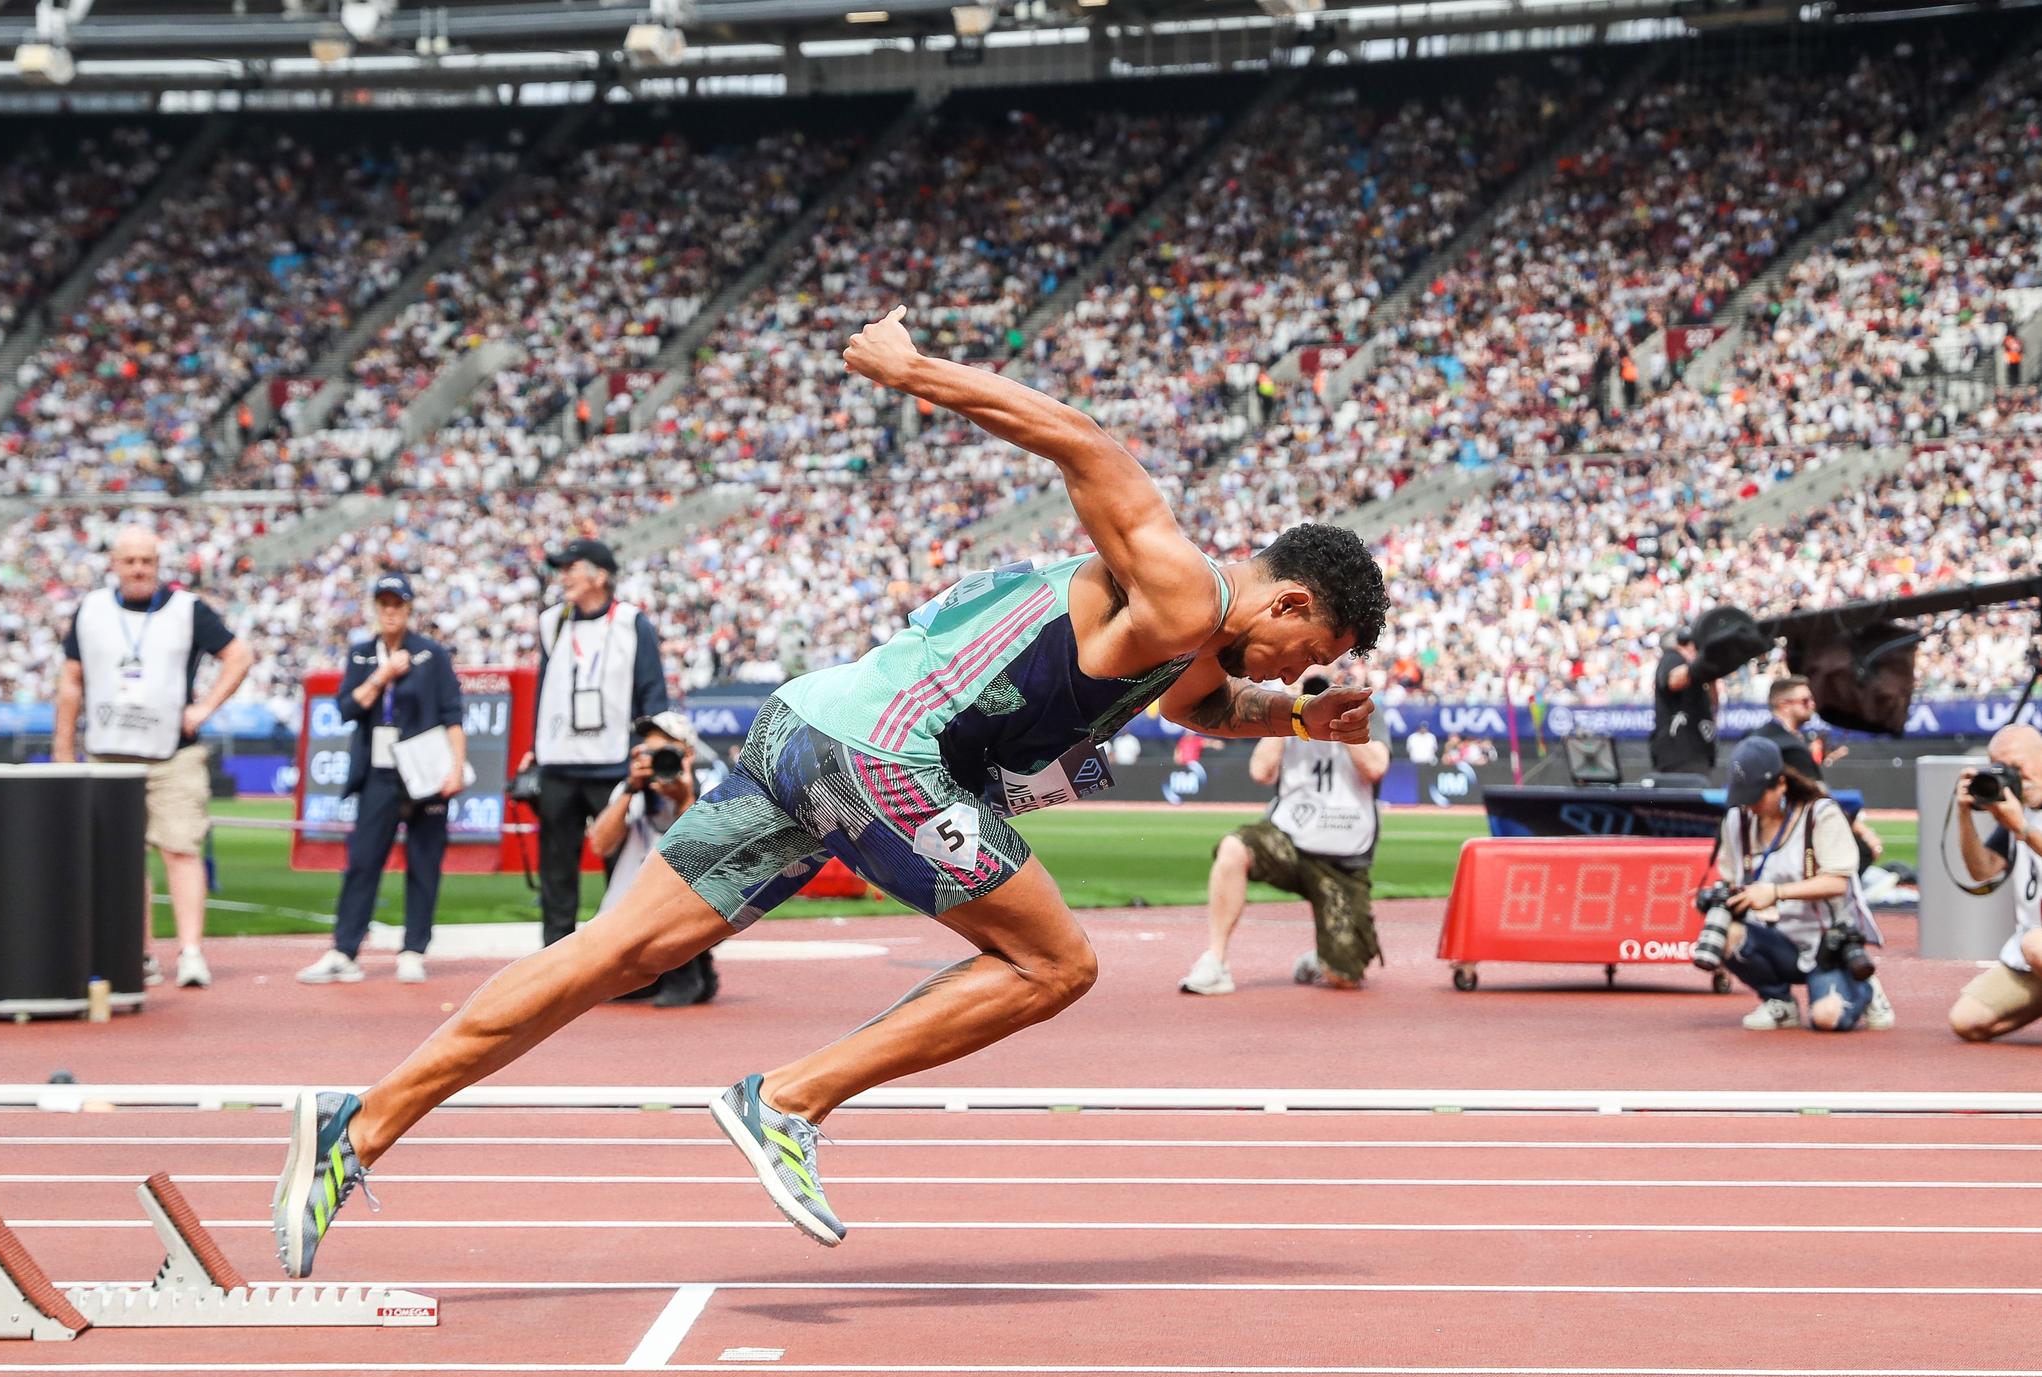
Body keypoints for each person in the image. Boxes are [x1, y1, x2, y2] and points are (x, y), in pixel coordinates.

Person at [273, 305, 1385, 1275]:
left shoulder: (1182, 631)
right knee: (1056, 963)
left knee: (608, 956)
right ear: (1286, 604)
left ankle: (357, 1127)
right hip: (883, 758)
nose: (1299, 672)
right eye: (1308, 655)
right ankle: (788, 1100)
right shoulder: (1185, 585)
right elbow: (1085, 445)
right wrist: (916, 375)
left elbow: (1198, 703)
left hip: (808, 730)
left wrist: (1294, 716)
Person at [52, 525, 253, 989]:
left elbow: (239, 655)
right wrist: (63, 750)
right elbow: (71, 681)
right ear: (114, 565)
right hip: (107, 756)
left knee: (181, 849)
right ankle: (135, 953)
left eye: (147, 560)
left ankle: (190, 953)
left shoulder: (188, 609)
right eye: (130, 561)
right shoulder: (91, 610)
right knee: (121, 859)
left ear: (158, 565)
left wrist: (205, 707)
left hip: (172, 756)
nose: (139, 569)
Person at [299, 574, 467, 987]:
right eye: (384, 604)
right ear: (375, 608)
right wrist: (382, 676)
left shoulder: (431, 654)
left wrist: (456, 768)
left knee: (424, 862)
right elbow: (345, 709)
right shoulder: (361, 655)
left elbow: (452, 714)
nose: (390, 611)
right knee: (362, 862)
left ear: (409, 609)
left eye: (398, 604)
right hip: (378, 770)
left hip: (425, 771)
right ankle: (344, 950)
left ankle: (413, 949)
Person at [1181, 667, 1389, 995]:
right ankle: (1215, 960)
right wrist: (1294, 714)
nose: (1318, 682)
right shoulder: (1288, 714)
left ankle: (1327, 957)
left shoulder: (1364, 711)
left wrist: (1341, 720)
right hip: (1289, 839)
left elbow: (1376, 767)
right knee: (1234, 848)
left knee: (1346, 976)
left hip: (1343, 856)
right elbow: (1260, 772)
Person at [518, 537, 670, 949]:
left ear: (600, 575)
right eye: (561, 568)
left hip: (612, 764)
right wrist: (535, 745)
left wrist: (649, 752)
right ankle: (552, 964)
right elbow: (547, 687)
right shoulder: (553, 621)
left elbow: (652, 695)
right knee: (556, 875)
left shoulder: (631, 622)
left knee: (622, 873)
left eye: (572, 566)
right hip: (558, 763)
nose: (563, 575)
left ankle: (623, 961)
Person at [1712, 736, 1890, 1033]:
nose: (1750, 805)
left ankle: (1865, 988)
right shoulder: (1736, 821)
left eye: (1757, 796)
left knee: (1827, 1019)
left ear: (1781, 784)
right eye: (1743, 796)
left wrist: (1776, 893)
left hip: (1826, 943)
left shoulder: (1820, 815)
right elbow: (1729, 878)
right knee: (1723, 933)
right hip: (1774, 939)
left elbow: (1837, 882)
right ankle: (1779, 1002)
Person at [589, 711, 719, 1008]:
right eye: (649, 751)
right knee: (602, 984)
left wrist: (684, 798)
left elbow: (701, 853)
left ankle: (690, 970)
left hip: (689, 904)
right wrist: (631, 788)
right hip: (633, 906)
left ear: (687, 752)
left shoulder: (711, 785)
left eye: (665, 751)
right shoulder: (632, 790)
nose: (657, 759)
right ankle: (668, 971)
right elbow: (601, 844)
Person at [1948, 725, 2042, 1043]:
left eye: (2016, 765)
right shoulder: (2019, 809)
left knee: (2035, 944)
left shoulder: (2021, 819)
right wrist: (1964, 815)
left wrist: (2023, 829)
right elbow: (1982, 870)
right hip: (2036, 956)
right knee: (1967, 1021)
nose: (2011, 775)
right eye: (1999, 767)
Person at [1756, 676, 1881, 865]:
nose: (1812, 705)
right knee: (1862, 850)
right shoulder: (1790, 746)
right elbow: (1818, 796)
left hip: (1762, 828)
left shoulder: (1760, 736)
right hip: (1790, 829)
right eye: (1805, 701)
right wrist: (1862, 831)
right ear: (1784, 705)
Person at [1651, 624, 1719, 778]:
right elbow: (1672, 681)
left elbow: (1713, 704)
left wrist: (1712, 672)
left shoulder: (1696, 669)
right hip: (1680, 752)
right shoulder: (1673, 657)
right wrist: (1702, 662)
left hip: (1698, 749)